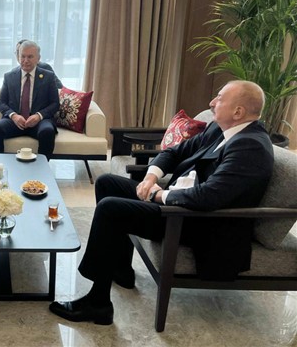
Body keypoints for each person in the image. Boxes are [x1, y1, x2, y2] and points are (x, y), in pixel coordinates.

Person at [49, 80, 274, 325]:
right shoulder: (219, 130)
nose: (212, 103)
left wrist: (158, 195)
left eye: (219, 98)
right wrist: (150, 178)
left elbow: (208, 197)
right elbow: (173, 153)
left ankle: (98, 303)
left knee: (110, 209)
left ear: (238, 112)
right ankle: (120, 269)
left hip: (198, 222)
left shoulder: (250, 147)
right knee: (107, 183)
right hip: (180, 205)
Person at [0, 40, 60, 159]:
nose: (25, 60)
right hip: (15, 121)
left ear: (38, 58)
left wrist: (39, 116)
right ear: (18, 57)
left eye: (30, 57)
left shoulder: (48, 76)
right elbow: (1, 103)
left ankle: (41, 167)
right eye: (23, 56)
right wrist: (14, 116)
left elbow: (55, 103)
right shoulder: (9, 76)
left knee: (47, 131)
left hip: (39, 121)